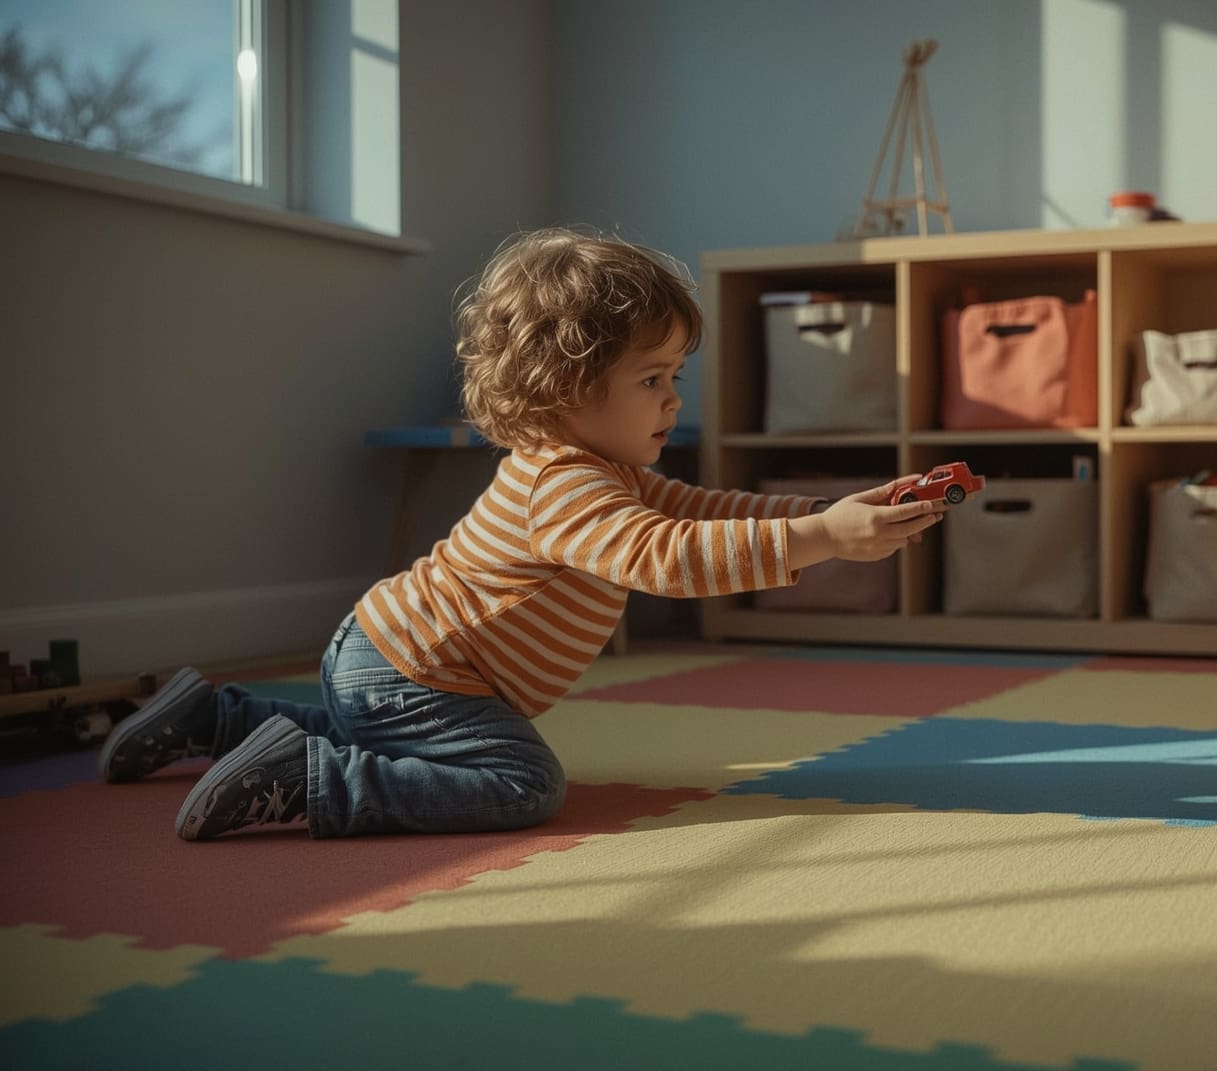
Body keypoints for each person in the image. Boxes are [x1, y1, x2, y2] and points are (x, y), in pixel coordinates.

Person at [97, 226, 945, 840]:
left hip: (397, 659)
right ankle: (310, 780)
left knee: (382, 732)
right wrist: (825, 540)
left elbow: (699, 513)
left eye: (674, 376)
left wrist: (822, 518)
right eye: (651, 379)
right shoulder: (564, 483)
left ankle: (214, 719)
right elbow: (665, 558)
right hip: (422, 673)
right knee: (520, 784)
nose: (674, 399)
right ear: (566, 389)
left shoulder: (603, 472)